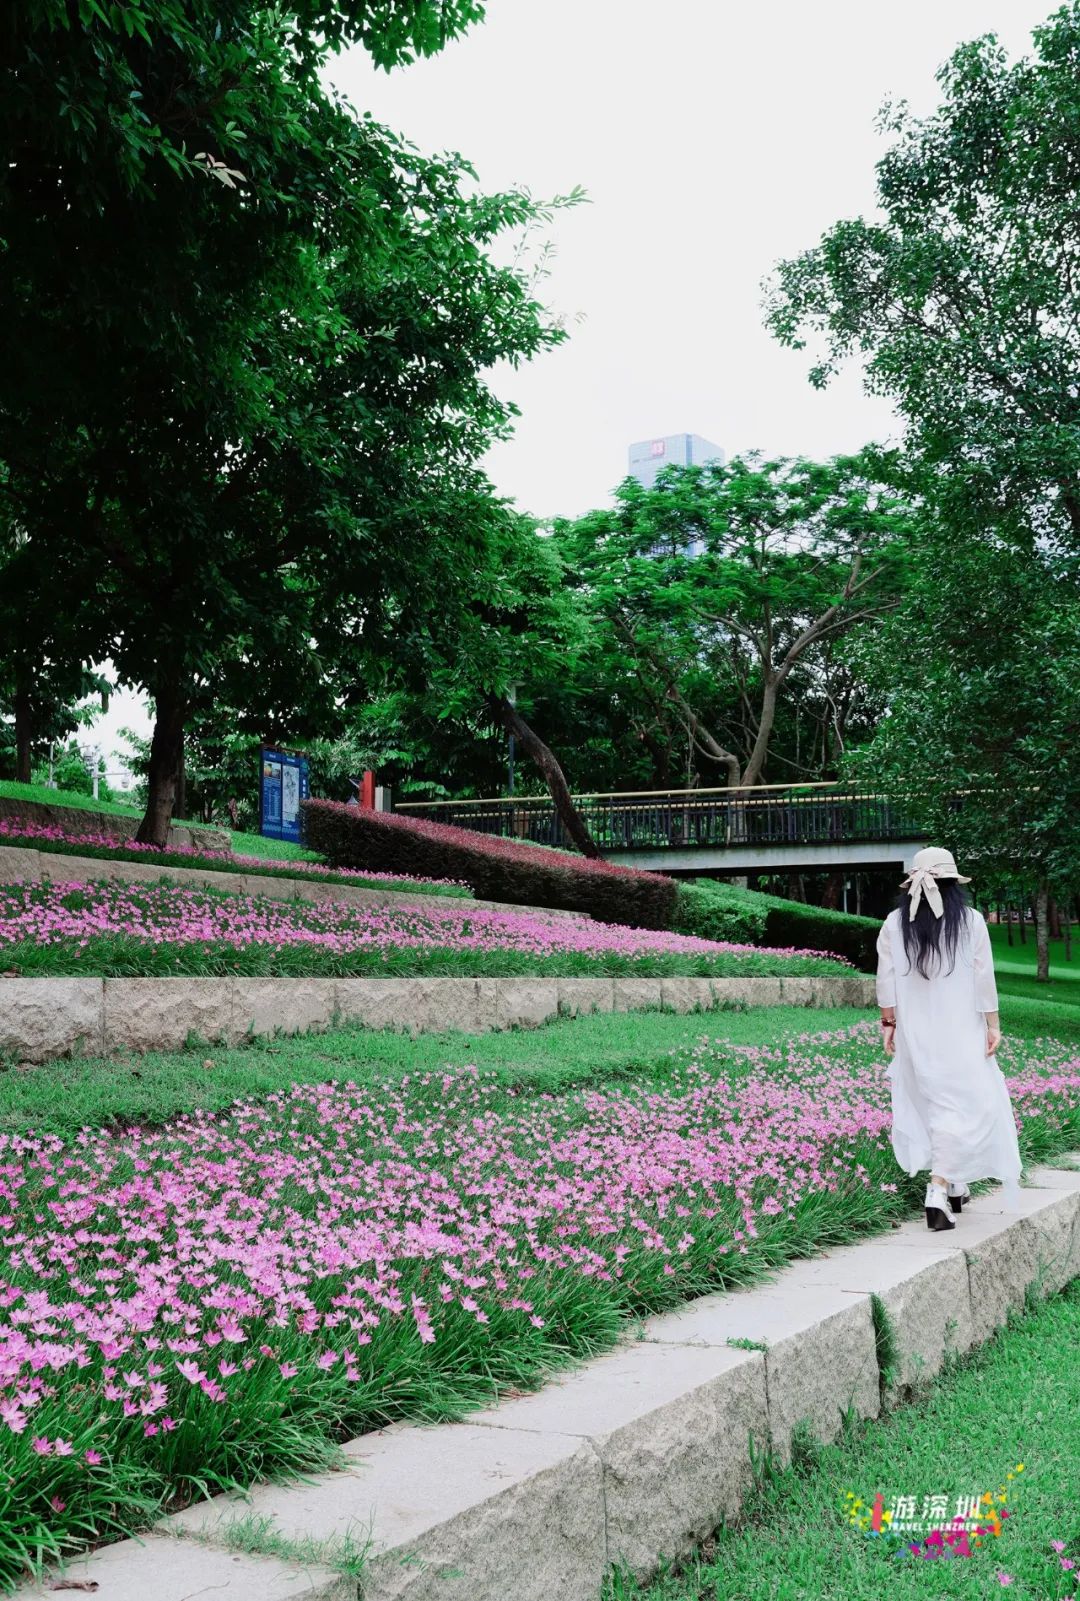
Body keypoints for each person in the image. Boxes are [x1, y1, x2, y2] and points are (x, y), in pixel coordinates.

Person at [876, 846, 1023, 1230]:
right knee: (968, 1106)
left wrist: (889, 1024)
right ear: (953, 884)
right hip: (960, 1031)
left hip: (916, 1034)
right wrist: (993, 1024)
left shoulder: (895, 922)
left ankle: (956, 1185)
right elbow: (983, 979)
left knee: (935, 1105)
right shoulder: (970, 921)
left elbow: (885, 980)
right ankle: (938, 1189)